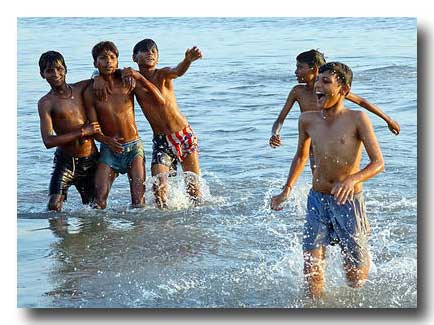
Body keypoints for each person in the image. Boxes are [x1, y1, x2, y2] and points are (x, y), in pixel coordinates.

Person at [270, 62, 385, 299]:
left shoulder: (357, 119)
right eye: (318, 80)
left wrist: (352, 179)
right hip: (317, 199)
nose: (317, 87)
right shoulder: (307, 120)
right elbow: (301, 156)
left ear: (343, 90)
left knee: (355, 280)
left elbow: (378, 163)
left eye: (325, 82)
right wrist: (287, 189)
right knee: (311, 273)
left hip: (349, 201)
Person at [94, 39, 203, 208]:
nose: (150, 53)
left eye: (153, 51)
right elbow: (110, 73)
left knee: (193, 189)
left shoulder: (163, 74)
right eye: (144, 51)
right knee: (158, 189)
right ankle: (164, 227)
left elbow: (178, 71)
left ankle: (195, 224)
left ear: (157, 58)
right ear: (134, 58)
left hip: (183, 136)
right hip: (161, 142)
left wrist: (187, 60)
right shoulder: (131, 81)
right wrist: (96, 77)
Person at [83, 41, 165, 209]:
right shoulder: (91, 92)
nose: (108, 62)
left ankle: (138, 235)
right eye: (103, 58)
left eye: (112, 58)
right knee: (98, 203)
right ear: (95, 63)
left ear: (118, 61)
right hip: (109, 149)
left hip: (134, 148)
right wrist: (106, 140)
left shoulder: (127, 82)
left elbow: (159, 99)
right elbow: (94, 128)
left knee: (138, 204)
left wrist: (136, 75)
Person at [269, 49, 400, 150]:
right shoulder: (297, 91)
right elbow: (280, 119)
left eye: (300, 67)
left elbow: (361, 102)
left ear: (313, 68)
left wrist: (388, 120)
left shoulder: (330, 91)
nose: (296, 71)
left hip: (333, 134)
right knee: (316, 171)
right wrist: (275, 133)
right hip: (312, 136)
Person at [38, 51, 101, 212]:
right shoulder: (46, 103)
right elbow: (48, 141)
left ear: (66, 69)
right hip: (65, 162)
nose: (56, 74)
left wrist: (97, 78)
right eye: (49, 71)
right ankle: (60, 237)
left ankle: (86, 236)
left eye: (59, 69)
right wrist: (82, 132)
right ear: (42, 75)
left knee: (95, 208)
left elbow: (100, 75)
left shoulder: (80, 89)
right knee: (54, 206)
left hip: (90, 160)